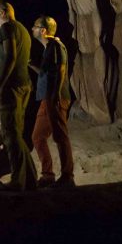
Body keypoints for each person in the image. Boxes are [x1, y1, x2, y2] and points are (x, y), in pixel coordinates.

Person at [0, 2, 37, 191]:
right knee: (17, 133)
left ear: (3, 13)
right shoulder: (23, 30)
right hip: (24, 84)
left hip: (11, 86)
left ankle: (17, 181)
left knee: (10, 134)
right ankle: (30, 179)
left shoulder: (8, 28)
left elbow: (10, 57)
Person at [30, 15, 75, 187]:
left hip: (55, 97)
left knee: (60, 136)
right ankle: (48, 175)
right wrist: (30, 64)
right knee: (37, 136)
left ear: (43, 30)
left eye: (35, 27)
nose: (32, 29)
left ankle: (67, 176)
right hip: (46, 98)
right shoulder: (48, 48)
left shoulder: (55, 45)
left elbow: (61, 68)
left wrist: (55, 94)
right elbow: (46, 71)